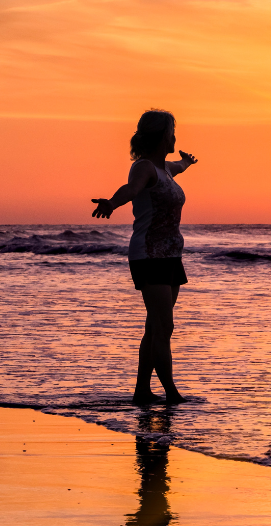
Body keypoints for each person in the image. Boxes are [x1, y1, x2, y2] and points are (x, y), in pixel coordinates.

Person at [91, 109, 197, 403]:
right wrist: (112, 202)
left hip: (171, 256)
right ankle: (172, 394)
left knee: (155, 325)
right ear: (162, 135)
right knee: (164, 326)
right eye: (172, 131)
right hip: (149, 255)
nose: (175, 136)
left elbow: (177, 166)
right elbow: (132, 188)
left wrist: (186, 163)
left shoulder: (165, 169)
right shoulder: (145, 168)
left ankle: (141, 391)